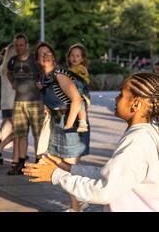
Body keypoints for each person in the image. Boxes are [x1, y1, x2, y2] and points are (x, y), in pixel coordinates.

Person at [23, 72, 159, 212]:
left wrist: (56, 175)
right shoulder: (146, 133)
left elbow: (104, 191)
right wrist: (68, 167)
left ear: (136, 104)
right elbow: (110, 175)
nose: (116, 98)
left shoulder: (137, 141)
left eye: (121, 94)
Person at [34, 42, 90, 212]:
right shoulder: (45, 78)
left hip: (70, 126)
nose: (45, 56)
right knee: (63, 167)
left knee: (68, 169)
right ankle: (79, 201)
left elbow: (77, 100)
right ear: (37, 60)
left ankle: (76, 207)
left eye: (48, 53)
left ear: (54, 57)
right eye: (41, 54)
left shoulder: (59, 74)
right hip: (59, 124)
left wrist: (67, 125)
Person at [6, 34, 44, 175]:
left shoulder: (35, 59)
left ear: (27, 45)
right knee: (20, 134)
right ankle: (20, 163)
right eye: (16, 45)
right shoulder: (13, 60)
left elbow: (45, 73)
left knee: (38, 134)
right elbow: (9, 73)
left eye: (21, 45)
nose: (19, 48)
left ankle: (39, 161)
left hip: (35, 102)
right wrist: (13, 83)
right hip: (19, 102)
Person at [67, 43, 91, 133]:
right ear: (69, 58)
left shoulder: (81, 68)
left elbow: (84, 75)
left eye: (77, 56)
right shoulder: (69, 70)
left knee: (81, 104)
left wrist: (82, 72)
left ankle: (83, 122)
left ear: (82, 59)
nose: (74, 58)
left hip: (81, 92)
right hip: (71, 92)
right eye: (72, 55)